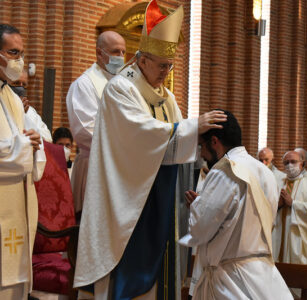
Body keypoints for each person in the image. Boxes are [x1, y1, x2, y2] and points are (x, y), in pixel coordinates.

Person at [73, 1, 227, 299]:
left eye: (170, 66)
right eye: (161, 66)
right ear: (141, 60)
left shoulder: (166, 97)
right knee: (129, 263)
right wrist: (194, 125)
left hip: (161, 193)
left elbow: (179, 140)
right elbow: (139, 134)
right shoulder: (120, 89)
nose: (166, 73)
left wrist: (201, 138)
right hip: (127, 195)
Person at [180, 110, 292, 299]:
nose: (202, 154)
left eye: (201, 146)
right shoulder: (266, 173)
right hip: (262, 274)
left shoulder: (224, 171)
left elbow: (200, 230)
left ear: (214, 141)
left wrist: (197, 205)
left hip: (229, 279)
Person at [0, 23, 46, 300]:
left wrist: (33, 143)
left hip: (19, 196)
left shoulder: (13, 98)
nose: (19, 61)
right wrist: (21, 146)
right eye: (12, 52)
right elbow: (17, 147)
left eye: (21, 53)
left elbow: (32, 145)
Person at [66, 30, 126, 215]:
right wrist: (123, 146)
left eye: (124, 52)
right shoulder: (84, 84)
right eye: (116, 52)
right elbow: (85, 130)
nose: (121, 57)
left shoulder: (124, 84)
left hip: (121, 167)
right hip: (95, 165)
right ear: (100, 53)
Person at [272, 151, 307, 266]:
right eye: (286, 162)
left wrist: (293, 204)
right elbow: (265, 206)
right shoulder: (276, 183)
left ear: (301, 164)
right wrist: (277, 205)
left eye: (293, 162)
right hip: (277, 233)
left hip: (297, 236)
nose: (289, 165)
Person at [10, 70, 52, 142]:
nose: (21, 88)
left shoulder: (31, 111)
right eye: (16, 83)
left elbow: (48, 138)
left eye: (24, 85)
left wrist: (35, 135)